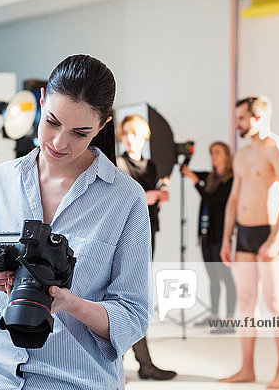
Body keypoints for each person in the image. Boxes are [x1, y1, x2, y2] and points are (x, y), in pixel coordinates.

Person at [0, 55, 153, 390]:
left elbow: (133, 316)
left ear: (103, 126)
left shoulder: (125, 199)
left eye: (80, 133)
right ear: (43, 99)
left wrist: (69, 302)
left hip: (75, 377)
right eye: (52, 122)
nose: (60, 143)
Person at [219, 96, 279, 389]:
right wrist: (227, 238)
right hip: (244, 236)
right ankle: (247, 368)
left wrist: (275, 238)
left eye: (241, 118)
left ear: (258, 118)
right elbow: (234, 200)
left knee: (275, 302)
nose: (237, 123)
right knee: (246, 303)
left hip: (268, 233)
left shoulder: (277, 148)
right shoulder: (242, 155)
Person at [116, 115, 176, 380]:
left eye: (136, 134)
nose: (131, 138)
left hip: (149, 234)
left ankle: (139, 363)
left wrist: (159, 197)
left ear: (144, 137)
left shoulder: (150, 166)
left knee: (139, 297)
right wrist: (147, 196)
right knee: (123, 296)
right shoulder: (117, 163)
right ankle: (130, 362)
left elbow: (151, 203)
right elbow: (123, 199)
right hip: (125, 237)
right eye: (127, 133)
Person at [181, 141, 236, 333]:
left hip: (221, 236)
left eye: (217, 152)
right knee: (213, 277)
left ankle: (229, 320)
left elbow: (211, 199)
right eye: (211, 152)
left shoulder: (230, 180)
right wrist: (188, 160)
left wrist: (196, 182)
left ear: (226, 156)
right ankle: (214, 316)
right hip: (205, 235)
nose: (213, 156)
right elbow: (188, 172)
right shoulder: (211, 177)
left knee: (226, 277)